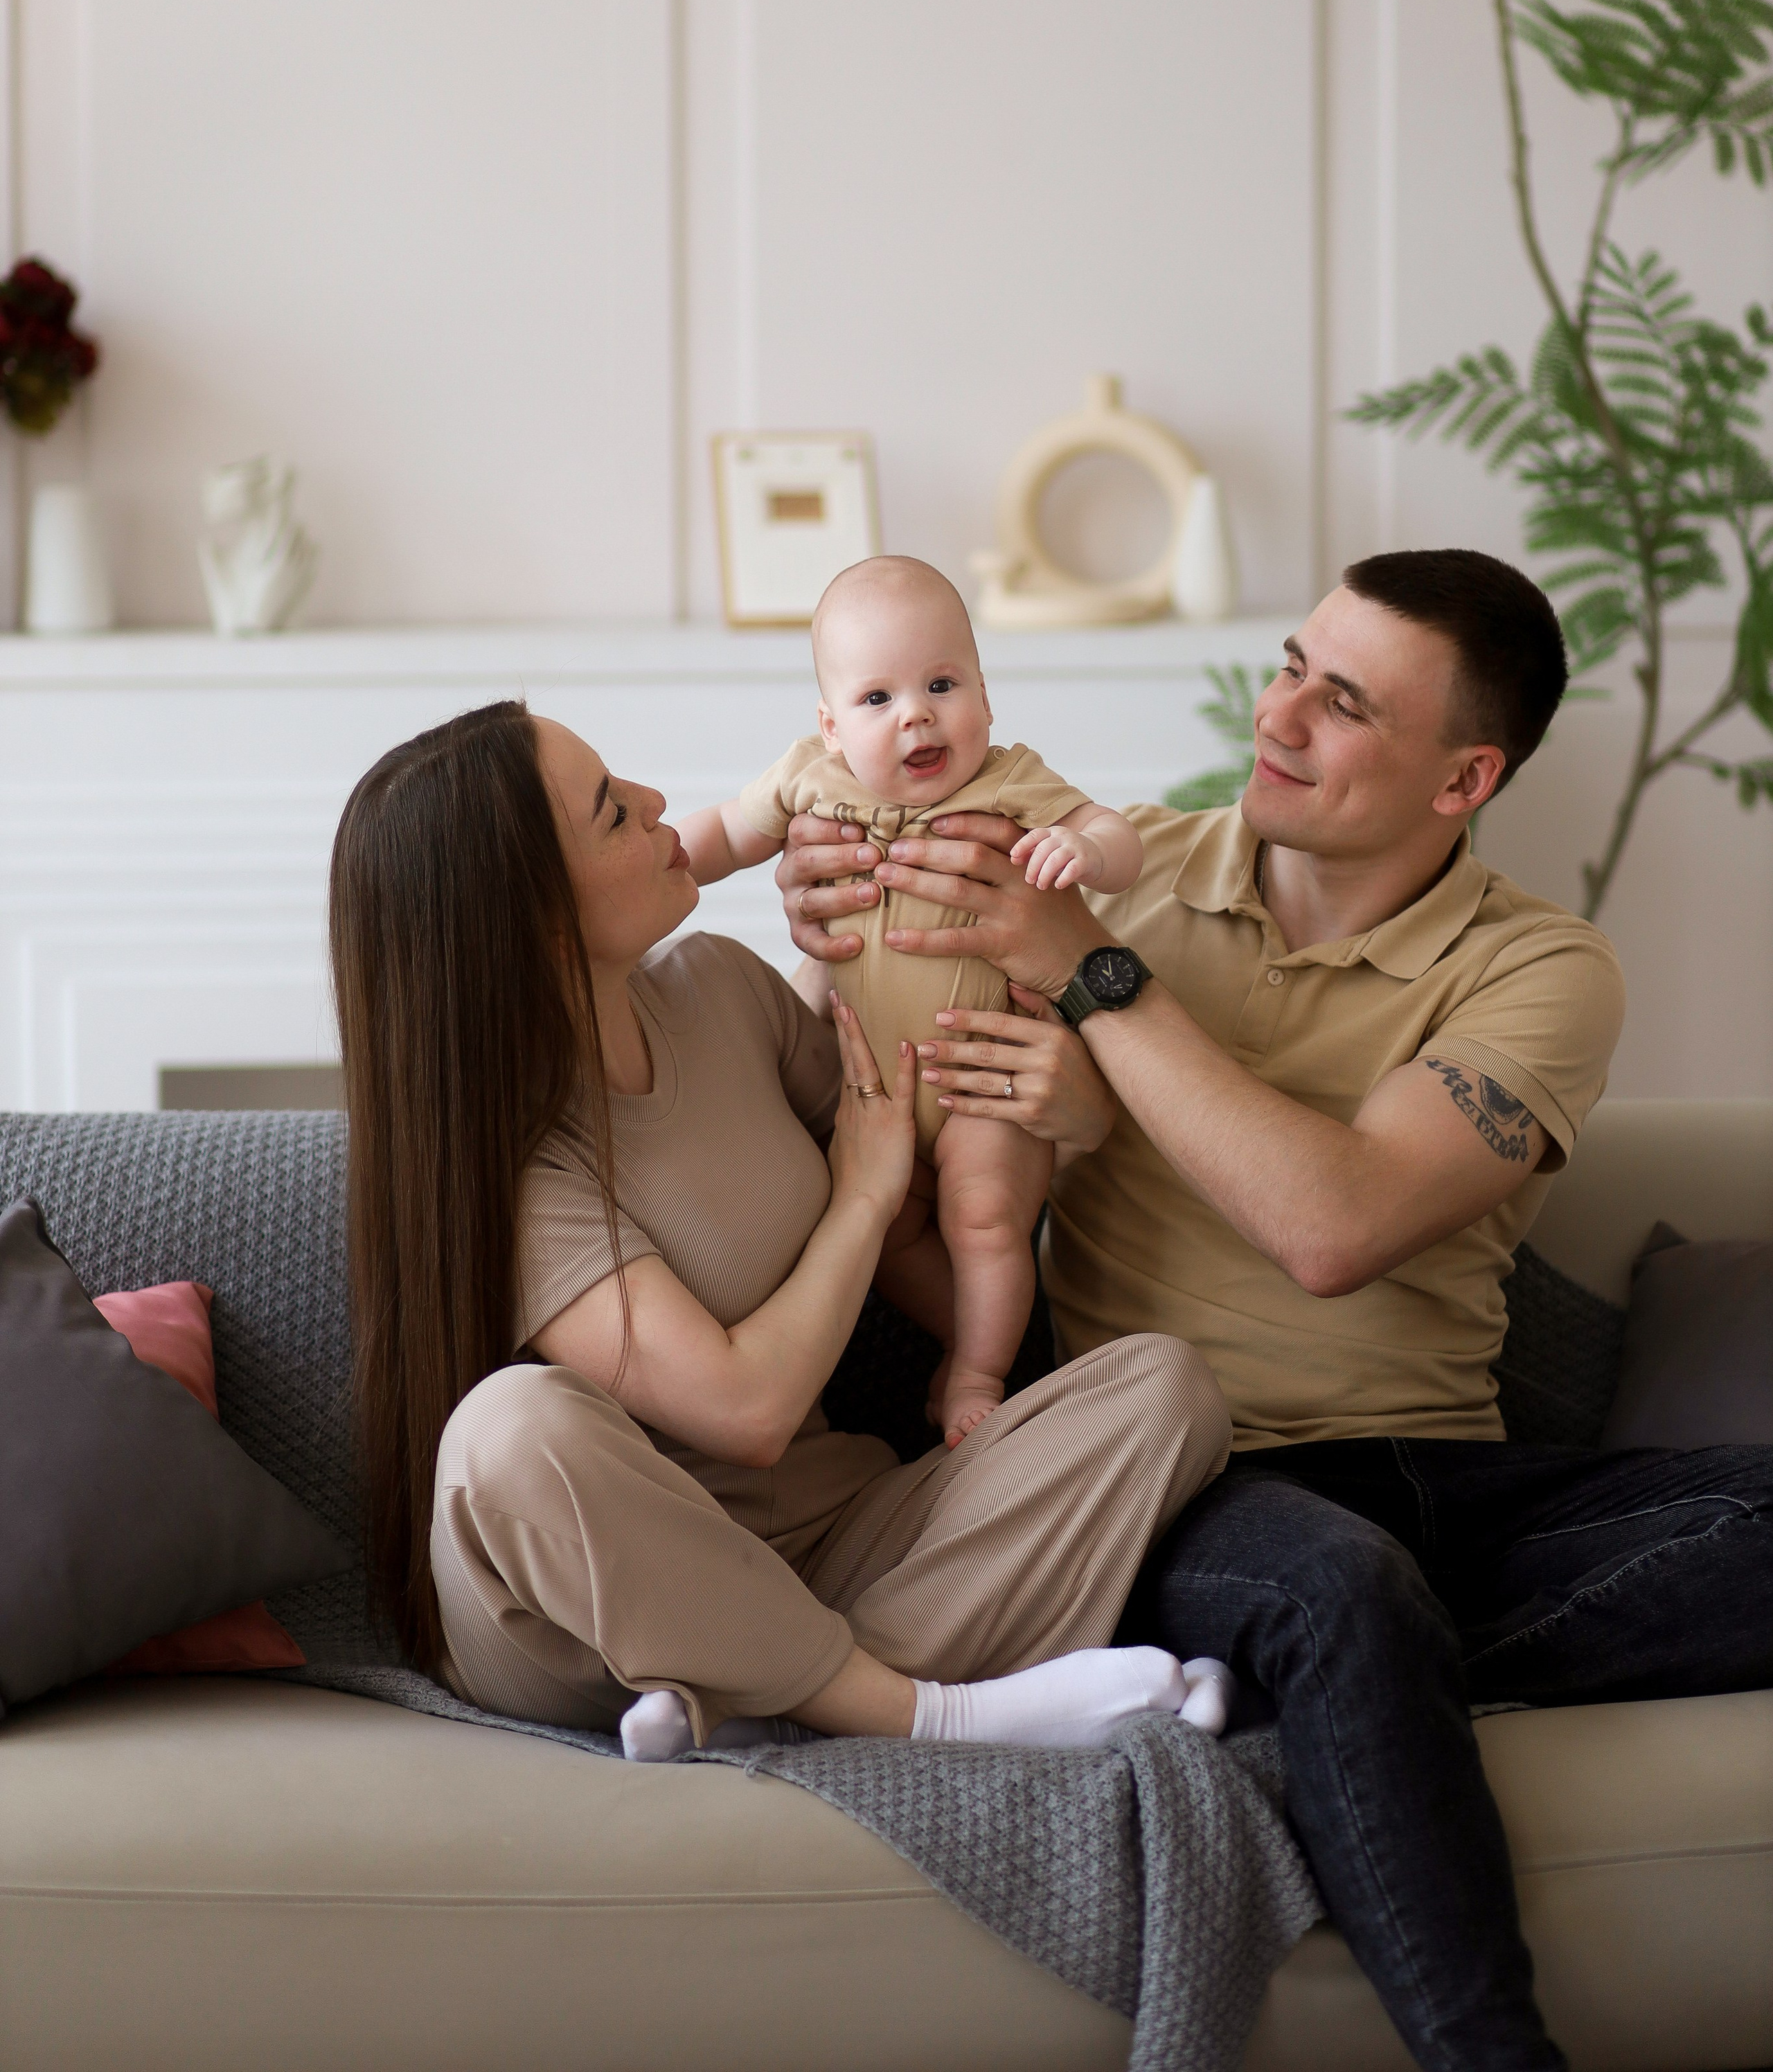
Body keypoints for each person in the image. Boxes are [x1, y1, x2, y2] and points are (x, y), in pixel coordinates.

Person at [774, 546, 1773, 2072]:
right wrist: (830, 887)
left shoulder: (1539, 971)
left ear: (1464, 778)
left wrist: (1097, 990)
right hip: (1186, 1486)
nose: (1280, 715)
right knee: (1340, 1596)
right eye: (1293, 663)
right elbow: (891, 1090)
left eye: (1345, 701)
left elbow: (1336, 1226)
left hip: (1446, 1475)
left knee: (1385, 1593)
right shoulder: (1104, 867)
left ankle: (1355, 1681)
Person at [329, 697, 1234, 1770]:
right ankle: (929, 1714)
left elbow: (922, 1167)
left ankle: (759, 1702)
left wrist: (1061, 1111)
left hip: (835, 1545)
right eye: (613, 813)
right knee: (508, 1430)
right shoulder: (508, 1163)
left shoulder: (723, 987)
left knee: (1165, 1390)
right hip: (592, 1620)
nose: (660, 802)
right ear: (535, 922)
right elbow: (748, 1409)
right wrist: (854, 1201)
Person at [681, 554, 1142, 1445]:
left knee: (985, 1219)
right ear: (829, 726)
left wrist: (1081, 852)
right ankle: (978, 1334)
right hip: (873, 1093)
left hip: (987, 1081)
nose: (917, 715)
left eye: (942, 683)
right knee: (880, 1235)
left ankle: (978, 1369)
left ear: (986, 696)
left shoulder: (1007, 783)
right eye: (877, 699)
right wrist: (664, 861)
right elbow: (727, 833)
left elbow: (1112, 833)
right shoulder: (811, 780)